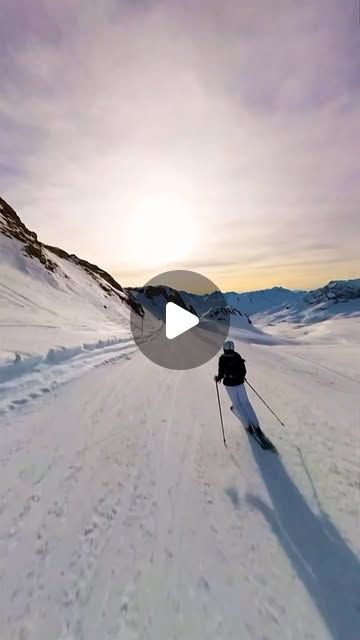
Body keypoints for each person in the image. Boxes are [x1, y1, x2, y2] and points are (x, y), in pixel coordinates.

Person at [214, 340, 261, 434]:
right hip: (240, 383)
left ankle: (247, 426)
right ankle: (256, 426)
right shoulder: (237, 356)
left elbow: (221, 373)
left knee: (237, 405)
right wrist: (241, 377)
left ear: (225, 348)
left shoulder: (222, 358)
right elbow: (243, 371)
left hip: (229, 384)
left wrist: (217, 378)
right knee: (246, 403)